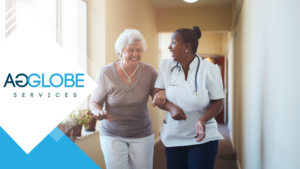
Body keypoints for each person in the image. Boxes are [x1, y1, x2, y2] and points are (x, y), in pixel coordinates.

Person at [89, 29, 166, 169]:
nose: (135, 54)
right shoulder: (105, 73)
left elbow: (159, 90)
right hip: (112, 132)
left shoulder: (148, 71)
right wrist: (98, 112)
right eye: (130, 50)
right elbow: (94, 102)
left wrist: (161, 93)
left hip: (142, 132)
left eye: (139, 50)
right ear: (120, 51)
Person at [152, 26, 225, 169]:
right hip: (174, 136)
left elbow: (218, 102)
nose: (169, 46)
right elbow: (157, 95)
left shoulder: (210, 69)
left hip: (203, 136)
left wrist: (202, 119)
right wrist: (171, 107)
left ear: (187, 46)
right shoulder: (165, 66)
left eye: (173, 42)